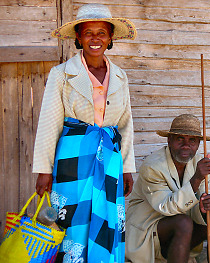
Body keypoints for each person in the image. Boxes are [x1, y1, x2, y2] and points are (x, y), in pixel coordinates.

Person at [32, 4, 137, 262]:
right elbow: (49, 122)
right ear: (78, 37)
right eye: (88, 32)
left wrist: (126, 167)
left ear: (111, 38)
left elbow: (125, 125)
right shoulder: (61, 75)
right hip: (73, 159)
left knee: (107, 219)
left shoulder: (120, 77)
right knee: (70, 221)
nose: (95, 39)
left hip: (110, 160)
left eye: (101, 32)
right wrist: (44, 169)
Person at [125, 114, 210, 263]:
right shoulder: (152, 167)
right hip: (148, 233)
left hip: (180, 232)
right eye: (180, 139)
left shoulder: (199, 162)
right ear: (169, 140)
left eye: (192, 140)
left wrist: (206, 207)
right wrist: (197, 178)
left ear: (198, 144)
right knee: (183, 223)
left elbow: (202, 198)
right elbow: (166, 207)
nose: (186, 145)